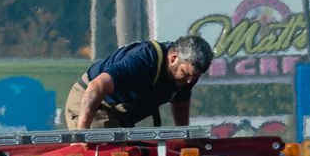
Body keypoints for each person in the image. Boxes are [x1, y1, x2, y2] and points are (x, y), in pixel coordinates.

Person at [64, 35, 214, 129]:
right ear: (173, 58)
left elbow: (180, 101)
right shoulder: (143, 60)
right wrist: (82, 134)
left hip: (122, 115)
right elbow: (96, 87)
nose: (189, 81)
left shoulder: (189, 75)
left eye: (195, 76)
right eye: (186, 74)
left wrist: (185, 137)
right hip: (94, 104)